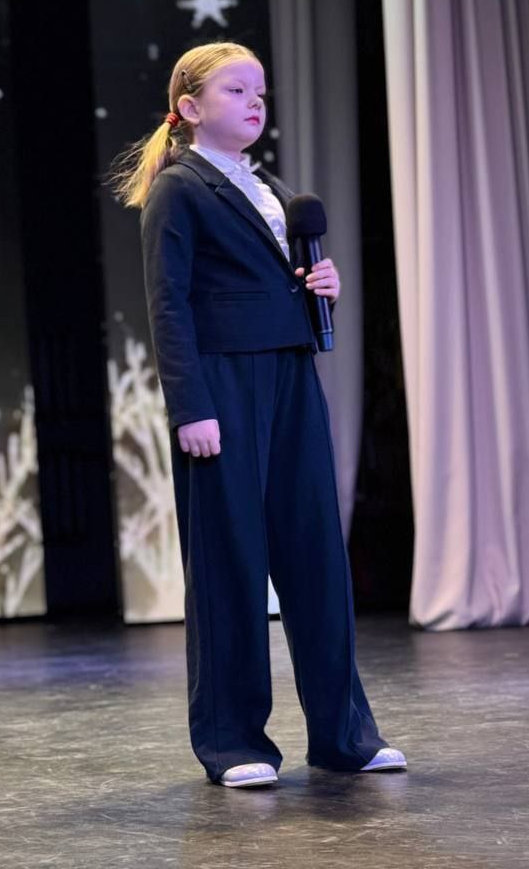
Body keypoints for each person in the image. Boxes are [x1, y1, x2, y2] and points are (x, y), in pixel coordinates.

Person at [112, 41, 407, 789]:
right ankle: (232, 741)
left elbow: (272, 283)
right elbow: (169, 305)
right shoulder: (180, 188)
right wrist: (190, 407)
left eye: (261, 92)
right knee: (231, 562)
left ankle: (344, 735)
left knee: (316, 555)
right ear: (189, 108)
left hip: (290, 376)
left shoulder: (272, 188)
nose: (255, 103)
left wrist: (319, 290)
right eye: (236, 91)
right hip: (221, 386)